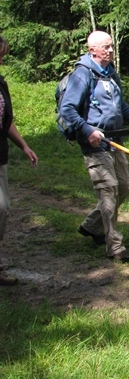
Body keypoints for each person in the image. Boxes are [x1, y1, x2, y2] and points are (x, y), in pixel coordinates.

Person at [59, 31, 129, 263]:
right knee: (109, 191)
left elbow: (121, 104)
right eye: (105, 47)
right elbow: (67, 110)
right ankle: (115, 246)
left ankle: (91, 226)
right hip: (95, 144)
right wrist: (88, 131)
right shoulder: (82, 74)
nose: (110, 51)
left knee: (124, 187)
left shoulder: (110, 74)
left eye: (111, 47)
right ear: (92, 50)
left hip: (114, 142)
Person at [0, 35, 39, 285]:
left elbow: (7, 121)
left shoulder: (1, 84)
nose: (1, 61)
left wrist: (24, 146)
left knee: (2, 208)